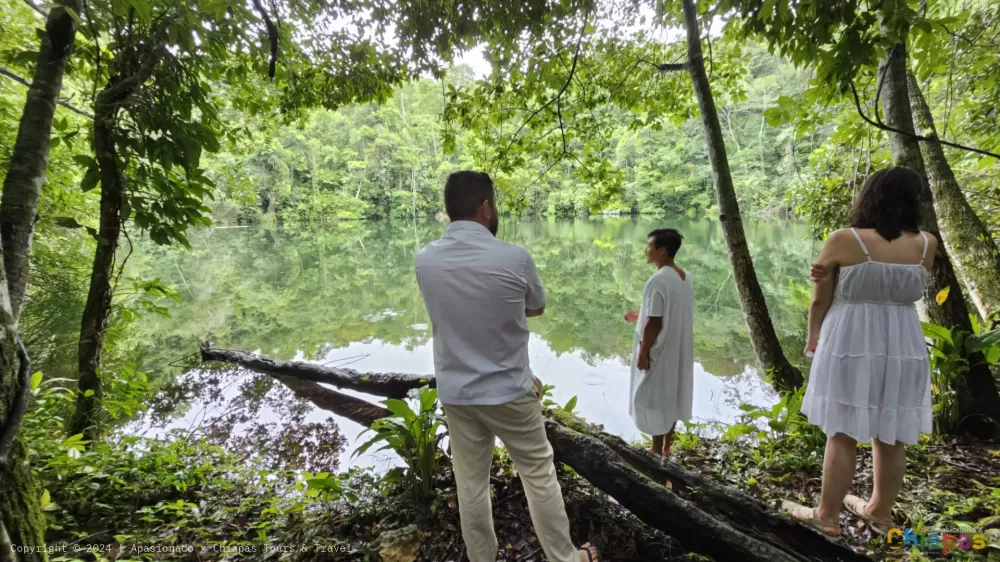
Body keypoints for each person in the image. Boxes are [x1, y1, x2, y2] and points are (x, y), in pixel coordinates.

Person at [415, 171, 599, 562]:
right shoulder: (514, 257)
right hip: (510, 390)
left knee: (470, 483)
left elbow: (453, 311)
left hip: (457, 393)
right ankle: (565, 558)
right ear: (485, 209)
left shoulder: (425, 260)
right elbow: (536, 307)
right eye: (493, 205)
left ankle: (482, 558)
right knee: (538, 473)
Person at [782, 166, 937, 537]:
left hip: (850, 337)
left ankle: (827, 516)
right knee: (892, 432)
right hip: (903, 340)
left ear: (870, 196)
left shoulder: (844, 239)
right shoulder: (927, 244)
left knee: (842, 431)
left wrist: (812, 339)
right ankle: (879, 513)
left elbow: (821, 299)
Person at [623, 228, 694, 458]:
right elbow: (669, 311)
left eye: (649, 246)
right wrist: (638, 314)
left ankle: (654, 451)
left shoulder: (658, 280)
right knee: (672, 393)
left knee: (653, 396)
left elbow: (654, 322)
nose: (646, 250)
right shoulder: (683, 277)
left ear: (662, 251)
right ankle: (666, 447)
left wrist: (643, 353)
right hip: (678, 347)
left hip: (660, 349)